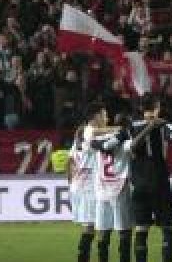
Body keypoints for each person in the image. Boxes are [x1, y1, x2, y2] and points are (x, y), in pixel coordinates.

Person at [100, 95, 172, 262]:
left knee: (141, 229)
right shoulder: (163, 124)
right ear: (157, 107)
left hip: (138, 184)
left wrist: (93, 142)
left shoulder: (130, 126)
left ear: (142, 108)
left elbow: (109, 145)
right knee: (167, 228)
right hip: (159, 181)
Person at [94, 115, 163, 262]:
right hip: (119, 190)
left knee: (103, 231)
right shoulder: (124, 141)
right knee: (124, 231)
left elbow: (96, 144)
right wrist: (148, 129)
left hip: (102, 190)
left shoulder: (101, 138)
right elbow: (133, 145)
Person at [70, 104, 107, 262]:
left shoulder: (81, 133)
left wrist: (71, 181)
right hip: (88, 187)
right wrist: (122, 128)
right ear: (95, 116)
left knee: (91, 226)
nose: (107, 118)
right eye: (104, 115)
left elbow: (71, 159)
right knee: (99, 226)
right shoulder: (90, 131)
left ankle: (83, 258)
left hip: (80, 186)